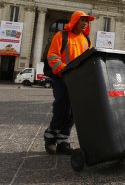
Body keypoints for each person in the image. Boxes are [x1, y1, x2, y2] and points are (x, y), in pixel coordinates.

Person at [43, 10, 94, 155]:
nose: (85, 23)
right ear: (74, 21)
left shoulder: (86, 40)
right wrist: (63, 69)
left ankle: (63, 141)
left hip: (78, 80)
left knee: (74, 111)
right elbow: (52, 55)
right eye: (82, 20)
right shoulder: (61, 35)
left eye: (86, 21)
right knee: (61, 106)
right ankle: (50, 137)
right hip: (61, 78)